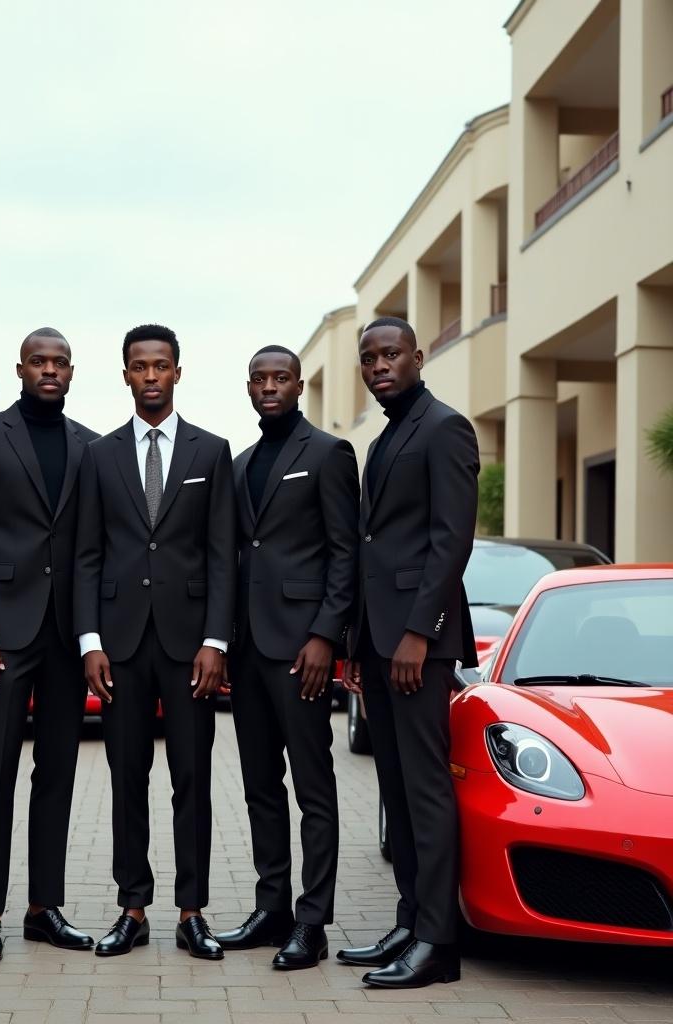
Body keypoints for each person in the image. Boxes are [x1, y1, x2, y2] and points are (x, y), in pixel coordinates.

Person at [73, 324, 236, 960]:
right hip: (118, 646)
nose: (150, 376)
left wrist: (217, 639)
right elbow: (87, 553)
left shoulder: (211, 451)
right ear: (124, 375)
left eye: (160, 366)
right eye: (139, 366)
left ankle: (192, 912)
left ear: (177, 372)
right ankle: (132, 909)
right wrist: (90, 640)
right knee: (126, 779)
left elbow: (223, 556)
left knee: (193, 778)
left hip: (191, 646)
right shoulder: (100, 454)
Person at [336, 316, 479, 989]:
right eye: (368, 358)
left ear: (419, 357)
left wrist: (419, 633)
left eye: (390, 354)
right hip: (381, 641)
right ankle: (407, 919)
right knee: (393, 790)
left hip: (418, 642)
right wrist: (361, 643)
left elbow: (451, 542)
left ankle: (437, 942)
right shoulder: (388, 435)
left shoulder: (445, 428)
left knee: (424, 792)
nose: (378, 366)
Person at [0, 328, 99, 963]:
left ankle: (44, 909)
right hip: (1, 634)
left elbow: (93, 546)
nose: (50, 371)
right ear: (20, 368)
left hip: (66, 634)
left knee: (58, 775)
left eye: (60, 363)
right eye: (39, 361)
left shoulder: (91, 447)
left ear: (72, 372)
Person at [216, 346, 359, 970]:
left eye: (281, 379)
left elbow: (344, 553)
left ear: (300, 385)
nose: (270, 387)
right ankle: (271, 906)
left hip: (302, 649)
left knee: (313, 788)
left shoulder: (328, 453)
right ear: (248, 387)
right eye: (260, 379)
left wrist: (326, 636)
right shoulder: (239, 462)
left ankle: (312, 921)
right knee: (258, 788)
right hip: (247, 650)